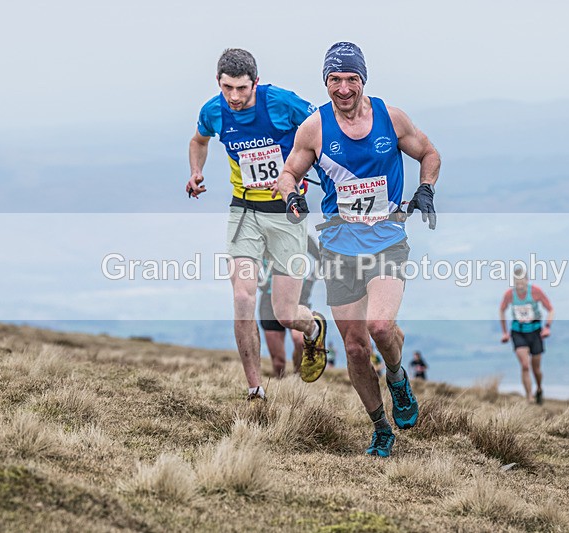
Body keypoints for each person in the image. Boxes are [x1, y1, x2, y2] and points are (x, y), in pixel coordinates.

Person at [274, 42, 441, 457]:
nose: (344, 88)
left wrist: (425, 189)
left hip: (387, 241)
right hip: (337, 248)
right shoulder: (314, 128)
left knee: (380, 327)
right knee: (353, 347)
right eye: (335, 80)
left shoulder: (390, 117)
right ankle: (380, 427)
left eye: (352, 79)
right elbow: (289, 172)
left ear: (363, 80)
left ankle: (398, 381)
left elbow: (429, 152)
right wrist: (293, 197)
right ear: (325, 82)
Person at [186, 49, 329, 403]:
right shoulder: (213, 110)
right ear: (218, 83)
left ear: (256, 83)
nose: (234, 97)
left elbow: (324, 132)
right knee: (242, 297)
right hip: (244, 210)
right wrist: (196, 171)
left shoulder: (282, 103)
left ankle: (313, 327)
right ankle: (255, 390)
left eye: (242, 89)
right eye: (227, 88)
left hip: (286, 212)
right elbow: (198, 141)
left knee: (284, 313)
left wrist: (316, 176)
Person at [258, 235, 320, 377]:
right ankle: (281, 388)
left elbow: (320, 259)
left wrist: (309, 281)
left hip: (297, 295)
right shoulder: (261, 234)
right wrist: (261, 283)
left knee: (299, 341)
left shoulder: (299, 234)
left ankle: (299, 377)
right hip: (269, 298)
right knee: (278, 362)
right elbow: (249, 261)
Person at [499, 265, 554, 405]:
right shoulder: (509, 295)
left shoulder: (535, 292)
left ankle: (539, 389)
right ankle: (529, 397)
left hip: (535, 332)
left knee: (536, 369)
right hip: (518, 332)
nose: (520, 286)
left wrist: (547, 327)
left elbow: (550, 309)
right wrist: (505, 332)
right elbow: (502, 310)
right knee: (525, 365)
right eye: (517, 283)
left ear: (527, 280)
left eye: (522, 283)